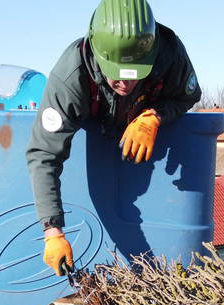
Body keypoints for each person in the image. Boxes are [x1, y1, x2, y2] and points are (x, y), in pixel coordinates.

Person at [27, 0, 201, 276]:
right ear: (97, 53)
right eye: (116, 75)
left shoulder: (169, 53)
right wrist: (52, 231)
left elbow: (189, 96)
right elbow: (44, 156)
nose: (125, 84)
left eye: (133, 76)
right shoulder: (70, 77)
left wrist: (155, 116)